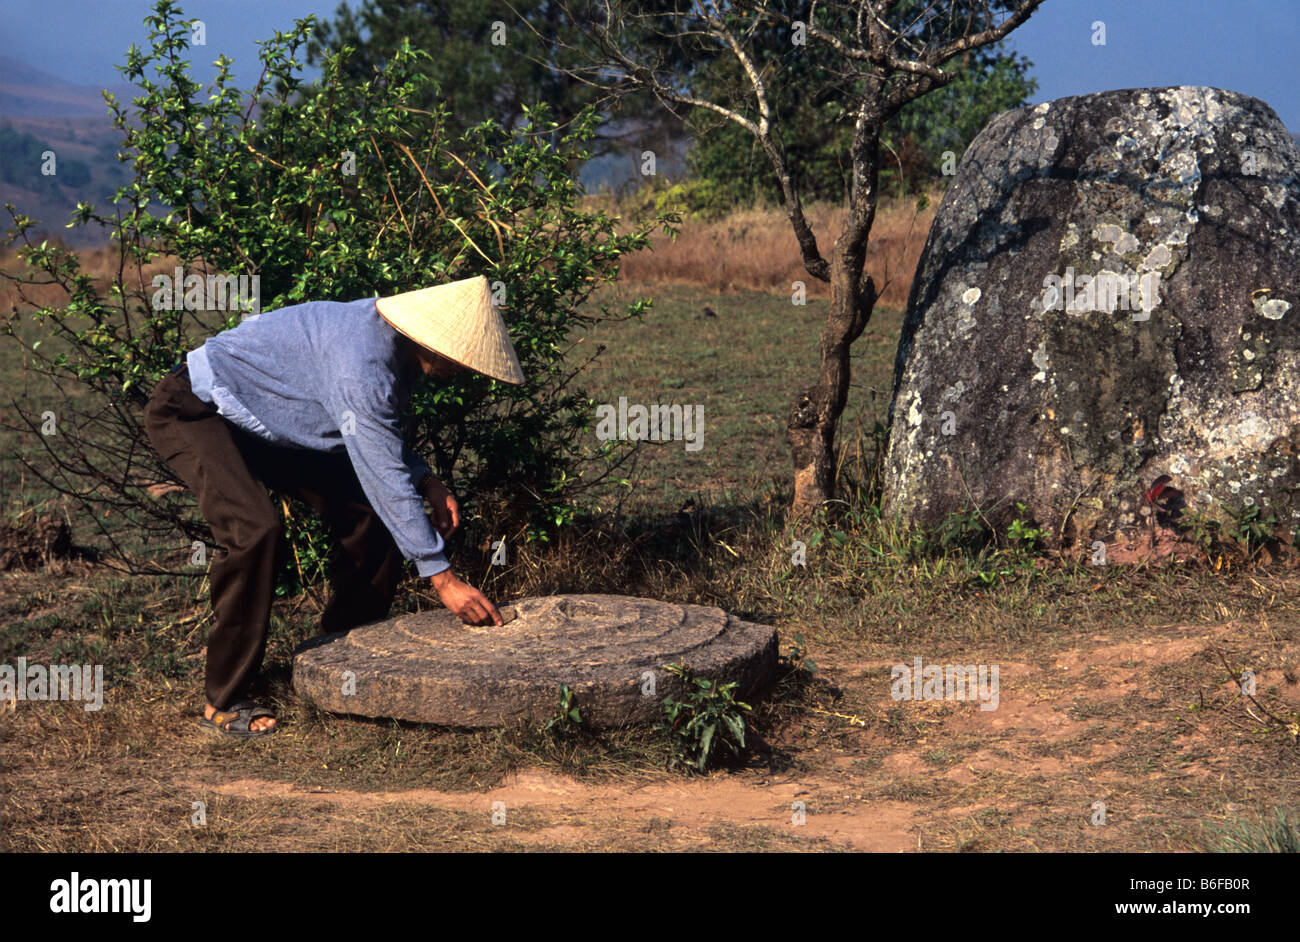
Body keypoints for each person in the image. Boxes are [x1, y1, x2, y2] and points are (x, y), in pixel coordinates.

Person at [143, 275, 523, 738]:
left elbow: (371, 434)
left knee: (371, 519)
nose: (464, 369)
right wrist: (441, 578)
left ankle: (341, 661)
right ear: (431, 340)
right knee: (254, 530)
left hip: (263, 419)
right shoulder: (360, 361)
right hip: (196, 409)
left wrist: (426, 479)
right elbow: (379, 462)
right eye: (461, 358)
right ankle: (223, 698)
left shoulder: (390, 348)